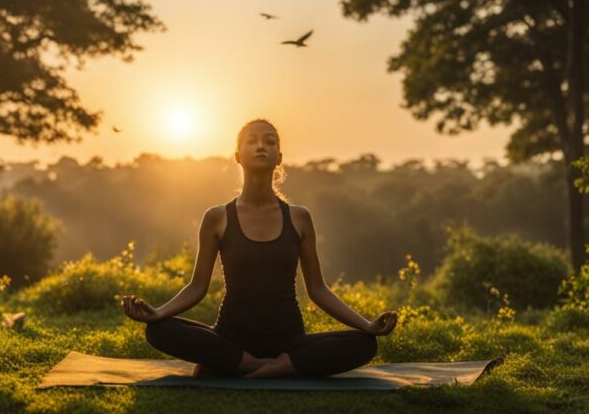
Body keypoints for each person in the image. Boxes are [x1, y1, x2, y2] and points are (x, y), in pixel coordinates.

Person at [120, 118, 398, 379]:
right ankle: (257, 364)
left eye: (270, 141)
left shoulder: (299, 217)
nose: (261, 146)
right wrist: (157, 313)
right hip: (231, 336)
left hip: (289, 339)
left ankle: (264, 365)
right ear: (238, 156)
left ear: (279, 157)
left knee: (365, 344)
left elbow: (318, 289)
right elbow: (197, 287)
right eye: (252, 141)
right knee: (159, 331)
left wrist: (366, 325)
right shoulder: (217, 217)